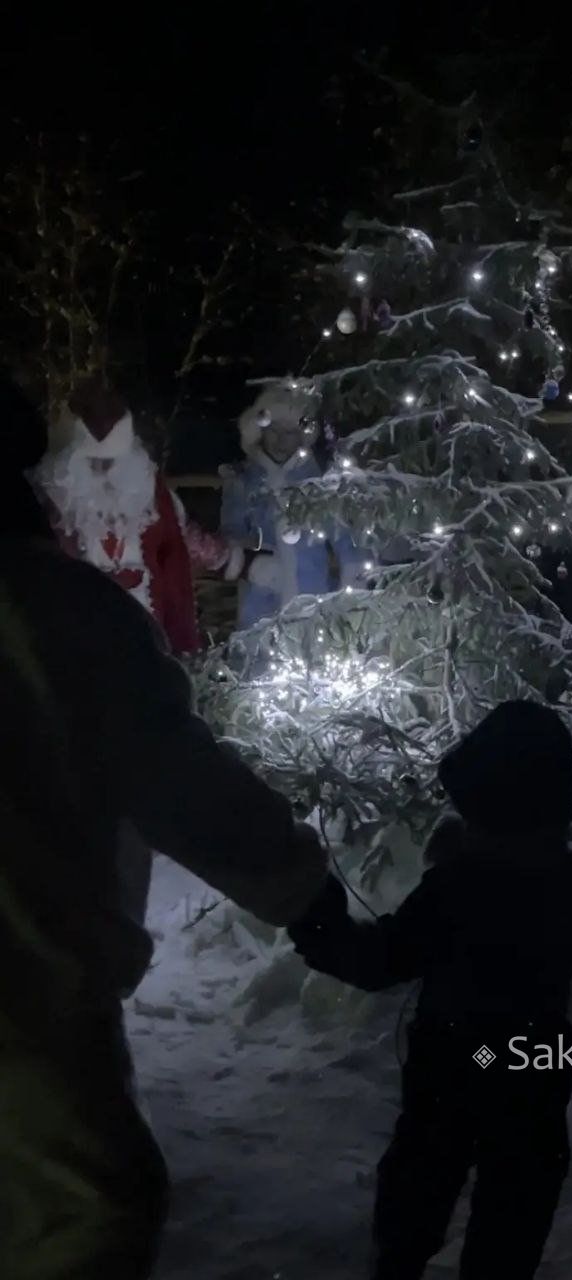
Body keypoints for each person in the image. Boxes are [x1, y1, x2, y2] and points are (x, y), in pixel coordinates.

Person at [0, 372, 327, 1280]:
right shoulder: (61, 610)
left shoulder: (71, 596)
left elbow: (189, 548)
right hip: (32, 1019)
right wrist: (303, 889)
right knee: (83, 1219)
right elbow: (177, 775)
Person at [290, 700, 572, 1280]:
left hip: (451, 1059)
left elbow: (380, 960)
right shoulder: (569, 884)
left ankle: (398, 1265)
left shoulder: (457, 888)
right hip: (534, 1061)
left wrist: (314, 915)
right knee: (518, 1198)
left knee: (420, 1185)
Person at [33, 379, 232, 654]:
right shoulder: (53, 500)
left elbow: (175, 564)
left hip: (148, 634)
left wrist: (183, 644)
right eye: (92, 463)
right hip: (79, 640)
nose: (104, 471)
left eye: (112, 462)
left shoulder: (150, 492)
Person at [220, 382, 364, 628]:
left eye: (290, 433)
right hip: (260, 605)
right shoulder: (243, 482)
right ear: (260, 430)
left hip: (311, 604)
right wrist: (252, 564)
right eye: (274, 430)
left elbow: (348, 543)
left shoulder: (319, 485)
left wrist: (350, 594)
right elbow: (230, 535)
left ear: (302, 436)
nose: (281, 440)